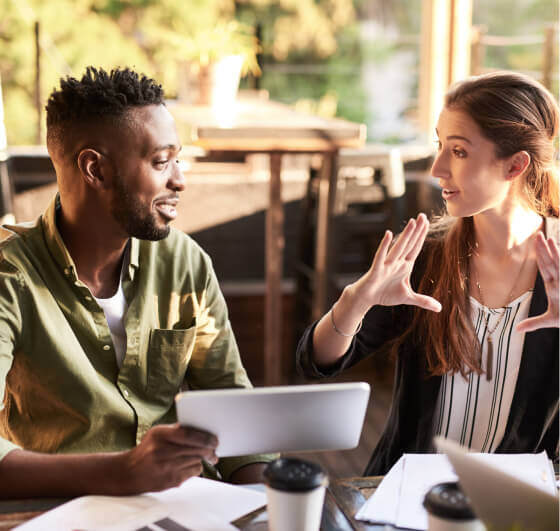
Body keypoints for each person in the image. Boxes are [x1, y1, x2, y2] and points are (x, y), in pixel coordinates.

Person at [0, 67, 274, 498]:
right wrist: (121, 473)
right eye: (161, 162)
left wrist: (264, 512)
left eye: (177, 159)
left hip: (185, 506)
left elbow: (230, 404)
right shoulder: (10, 280)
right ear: (95, 169)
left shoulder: (185, 262)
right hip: (62, 515)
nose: (179, 180)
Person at [297, 71, 559, 475]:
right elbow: (316, 361)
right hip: (406, 498)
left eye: (458, 151)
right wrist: (354, 302)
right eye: (440, 145)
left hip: (520, 506)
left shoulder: (555, 266)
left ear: (515, 165)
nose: (437, 168)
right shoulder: (426, 255)